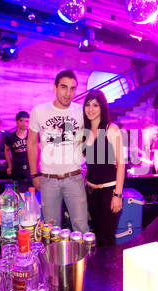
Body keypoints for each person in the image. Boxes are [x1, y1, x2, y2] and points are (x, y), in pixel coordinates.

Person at [27, 69, 89, 234]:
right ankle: (53, 260)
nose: (68, 93)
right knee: (52, 230)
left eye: (73, 88)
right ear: (54, 88)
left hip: (74, 178)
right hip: (48, 180)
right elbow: (31, 143)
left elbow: (90, 137)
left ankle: (83, 260)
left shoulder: (81, 111)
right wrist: (34, 175)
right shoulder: (39, 111)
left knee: (81, 228)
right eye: (64, 87)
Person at [82, 90, 125, 246]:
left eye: (95, 105)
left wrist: (118, 195)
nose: (90, 109)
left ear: (102, 108)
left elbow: (121, 163)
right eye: (87, 104)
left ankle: (109, 270)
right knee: (97, 235)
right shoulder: (84, 132)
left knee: (106, 238)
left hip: (109, 192)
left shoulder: (111, 129)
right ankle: (100, 269)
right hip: (91, 191)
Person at [5, 111, 30, 180]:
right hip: (17, 169)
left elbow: (39, 149)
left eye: (26, 121)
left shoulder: (33, 135)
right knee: (17, 189)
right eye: (21, 121)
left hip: (31, 168)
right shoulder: (10, 136)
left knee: (32, 189)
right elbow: (6, 150)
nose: (24, 123)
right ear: (17, 121)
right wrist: (10, 166)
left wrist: (39, 164)